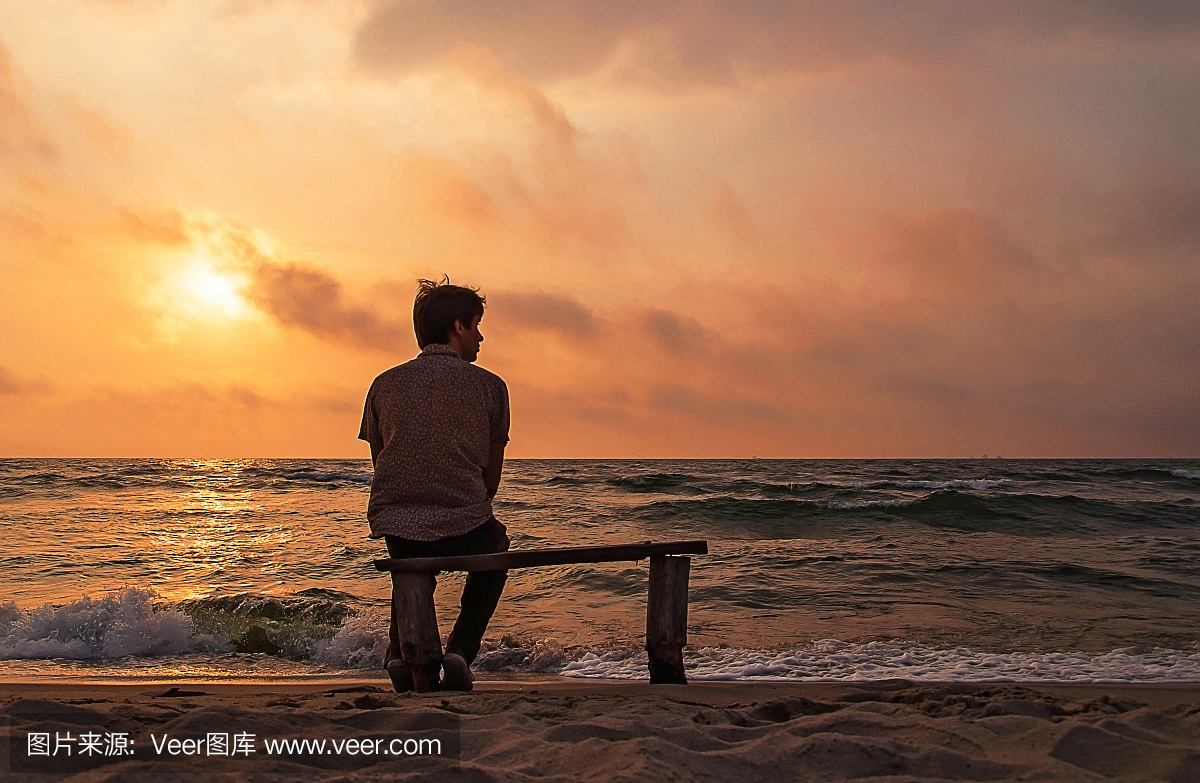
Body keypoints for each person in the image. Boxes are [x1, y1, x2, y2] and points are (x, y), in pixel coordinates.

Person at [358, 277, 510, 692]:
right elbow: (489, 483)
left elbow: (383, 464)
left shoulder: (383, 384)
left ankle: (401, 653)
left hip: (397, 524)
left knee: (412, 567)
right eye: (476, 325)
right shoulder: (490, 387)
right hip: (465, 524)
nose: (481, 336)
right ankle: (460, 649)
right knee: (495, 550)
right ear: (458, 327)